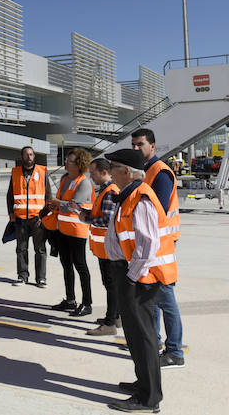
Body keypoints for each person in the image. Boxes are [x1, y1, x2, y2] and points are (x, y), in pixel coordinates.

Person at [103, 148, 176, 413]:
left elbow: (148, 244)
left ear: (126, 172)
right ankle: (144, 384)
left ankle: (149, 399)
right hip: (130, 273)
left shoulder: (141, 198)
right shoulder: (128, 196)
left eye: (112, 167)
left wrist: (131, 278)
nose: (109, 171)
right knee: (134, 336)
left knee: (143, 336)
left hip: (139, 277)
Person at [131, 128, 185, 370]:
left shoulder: (160, 173)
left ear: (152, 146)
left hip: (161, 245)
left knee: (165, 299)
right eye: (133, 144)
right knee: (152, 298)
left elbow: (157, 213)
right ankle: (153, 341)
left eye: (140, 144)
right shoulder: (144, 172)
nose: (135, 149)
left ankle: (174, 351)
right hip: (151, 244)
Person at [49, 147, 95, 316]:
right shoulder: (64, 178)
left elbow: (73, 206)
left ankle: (87, 302)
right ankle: (70, 300)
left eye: (69, 161)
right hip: (62, 229)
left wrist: (56, 201)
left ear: (79, 164)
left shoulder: (84, 183)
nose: (66, 163)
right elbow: (64, 203)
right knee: (66, 265)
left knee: (80, 266)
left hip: (77, 231)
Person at [78, 157, 121, 335]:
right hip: (104, 247)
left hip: (108, 248)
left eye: (93, 173)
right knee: (110, 284)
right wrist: (85, 211)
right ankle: (115, 316)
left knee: (111, 284)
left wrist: (85, 218)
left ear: (104, 172)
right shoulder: (104, 190)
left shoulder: (110, 191)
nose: (91, 177)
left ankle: (110, 324)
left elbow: (107, 220)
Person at [6, 146, 51, 286]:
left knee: (40, 249)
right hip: (19, 218)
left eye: (31, 154)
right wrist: (11, 213)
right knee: (21, 248)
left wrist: (43, 216)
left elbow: (48, 197)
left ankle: (41, 278)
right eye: (26, 155)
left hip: (37, 218)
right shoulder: (15, 172)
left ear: (34, 156)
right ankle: (22, 276)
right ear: (21, 157)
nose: (29, 157)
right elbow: (10, 195)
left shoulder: (42, 171)